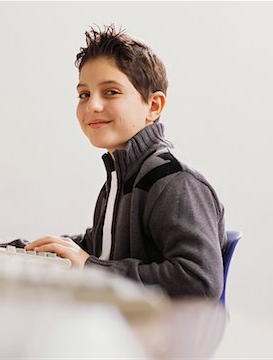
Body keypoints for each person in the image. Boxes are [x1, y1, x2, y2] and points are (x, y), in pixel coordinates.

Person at [25, 25, 226, 299]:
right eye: (84, 94)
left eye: (110, 92)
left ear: (153, 106)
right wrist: (24, 250)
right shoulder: (121, 179)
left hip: (156, 340)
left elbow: (199, 281)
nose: (92, 105)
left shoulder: (174, 182)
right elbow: (102, 249)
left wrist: (89, 266)